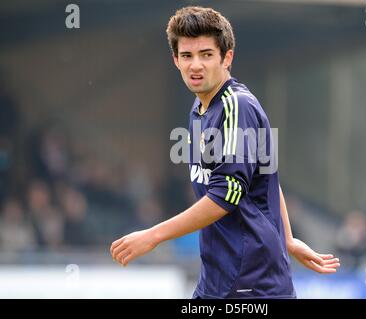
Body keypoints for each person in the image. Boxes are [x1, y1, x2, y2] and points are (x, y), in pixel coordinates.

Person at [111, 6, 340, 299]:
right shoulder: (199, 109)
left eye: (206, 54)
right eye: (187, 56)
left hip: (252, 283)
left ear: (226, 57)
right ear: (175, 60)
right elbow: (265, 172)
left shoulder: (237, 107)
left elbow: (225, 195)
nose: (196, 65)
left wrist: (153, 236)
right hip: (218, 280)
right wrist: (289, 238)